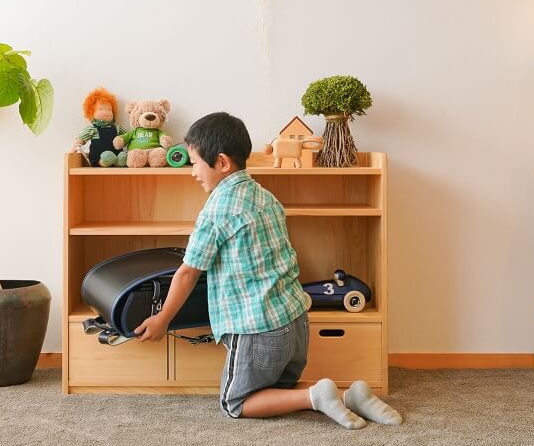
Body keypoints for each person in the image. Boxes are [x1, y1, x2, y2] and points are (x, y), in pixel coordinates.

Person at [134, 112, 402, 428]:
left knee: (235, 403)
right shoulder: (266, 197)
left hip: (259, 332)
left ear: (221, 163)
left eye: (194, 163)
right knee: (275, 390)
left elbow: (188, 272)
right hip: (297, 324)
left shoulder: (217, 210)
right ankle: (348, 395)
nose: (192, 173)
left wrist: (163, 319)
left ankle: (315, 396)